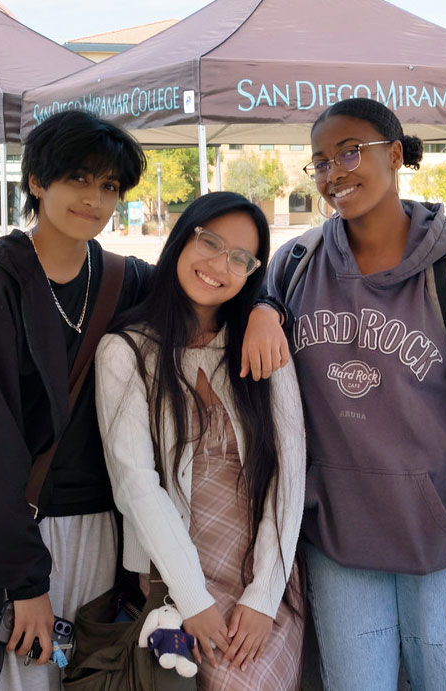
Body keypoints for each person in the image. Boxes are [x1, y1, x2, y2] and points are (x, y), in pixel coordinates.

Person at [0, 111, 287, 691]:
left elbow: (210, 284)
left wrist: (267, 309)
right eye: (79, 179)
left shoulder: (119, 279)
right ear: (37, 181)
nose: (94, 198)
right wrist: (25, 583)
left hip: (99, 536)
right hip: (15, 540)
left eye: (109, 185)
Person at [264, 98, 446, 691]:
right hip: (340, 545)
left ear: (395, 155)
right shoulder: (294, 265)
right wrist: (263, 307)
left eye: (350, 152)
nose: (335, 172)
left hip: (445, 546)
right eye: (320, 162)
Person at [95, 192, 306, 691]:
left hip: (263, 577)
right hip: (178, 580)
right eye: (209, 242)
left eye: (239, 258)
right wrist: (194, 599)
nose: (219, 265)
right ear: (182, 237)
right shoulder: (127, 351)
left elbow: (291, 471)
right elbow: (135, 485)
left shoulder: (259, 344)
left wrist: (263, 597)